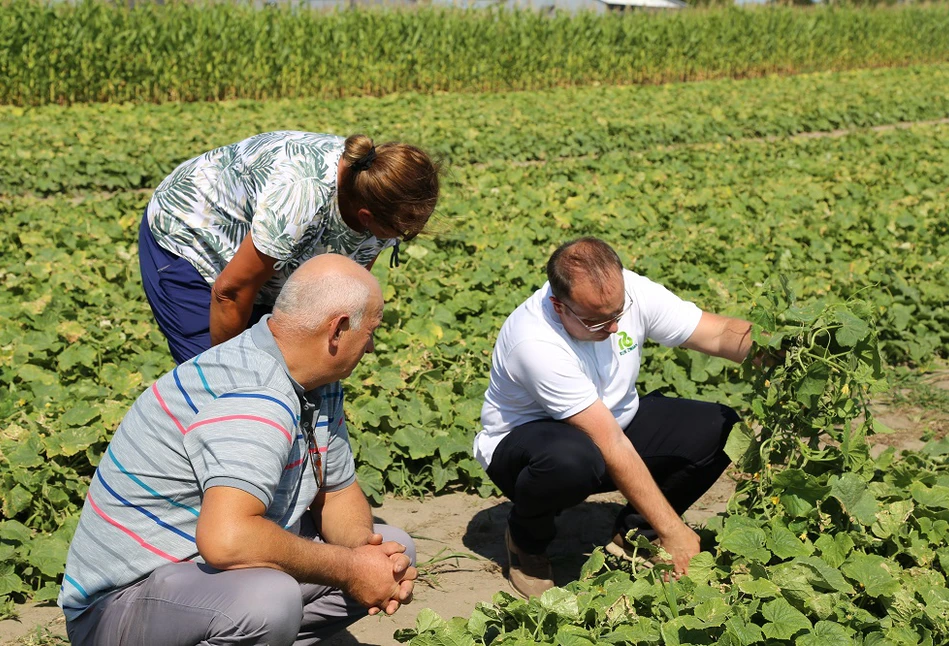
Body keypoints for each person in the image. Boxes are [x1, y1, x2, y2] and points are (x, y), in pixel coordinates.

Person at [59, 254, 417, 646]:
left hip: (204, 582)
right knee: (267, 601)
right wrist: (349, 568)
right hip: (118, 606)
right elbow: (227, 539)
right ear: (338, 329)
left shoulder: (314, 380)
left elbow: (336, 493)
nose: (371, 348)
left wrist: (364, 559)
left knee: (394, 552)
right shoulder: (255, 394)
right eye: (371, 332)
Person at [474, 237, 751, 598]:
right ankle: (526, 544)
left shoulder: (628, 292)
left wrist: (778, 347)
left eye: (618, 313)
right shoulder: (536, 343)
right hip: (529, 449)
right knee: (571, 459)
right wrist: (675, 530)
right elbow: (610, 442)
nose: (614, 328)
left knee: (718, 427)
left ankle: (634, 537)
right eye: (596, 321)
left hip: (610, 426)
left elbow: (714, 333)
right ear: (559, 306)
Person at [139, 131, 440, 363]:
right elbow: (229, 292)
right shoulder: (299, 196)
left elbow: (344, 286)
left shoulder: (376, 189)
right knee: (222, 395)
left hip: (268, 252)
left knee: (288, 377)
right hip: (193, 235)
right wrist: (226, 379)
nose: (402, 237)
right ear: (367, 216)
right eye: (403, 232)